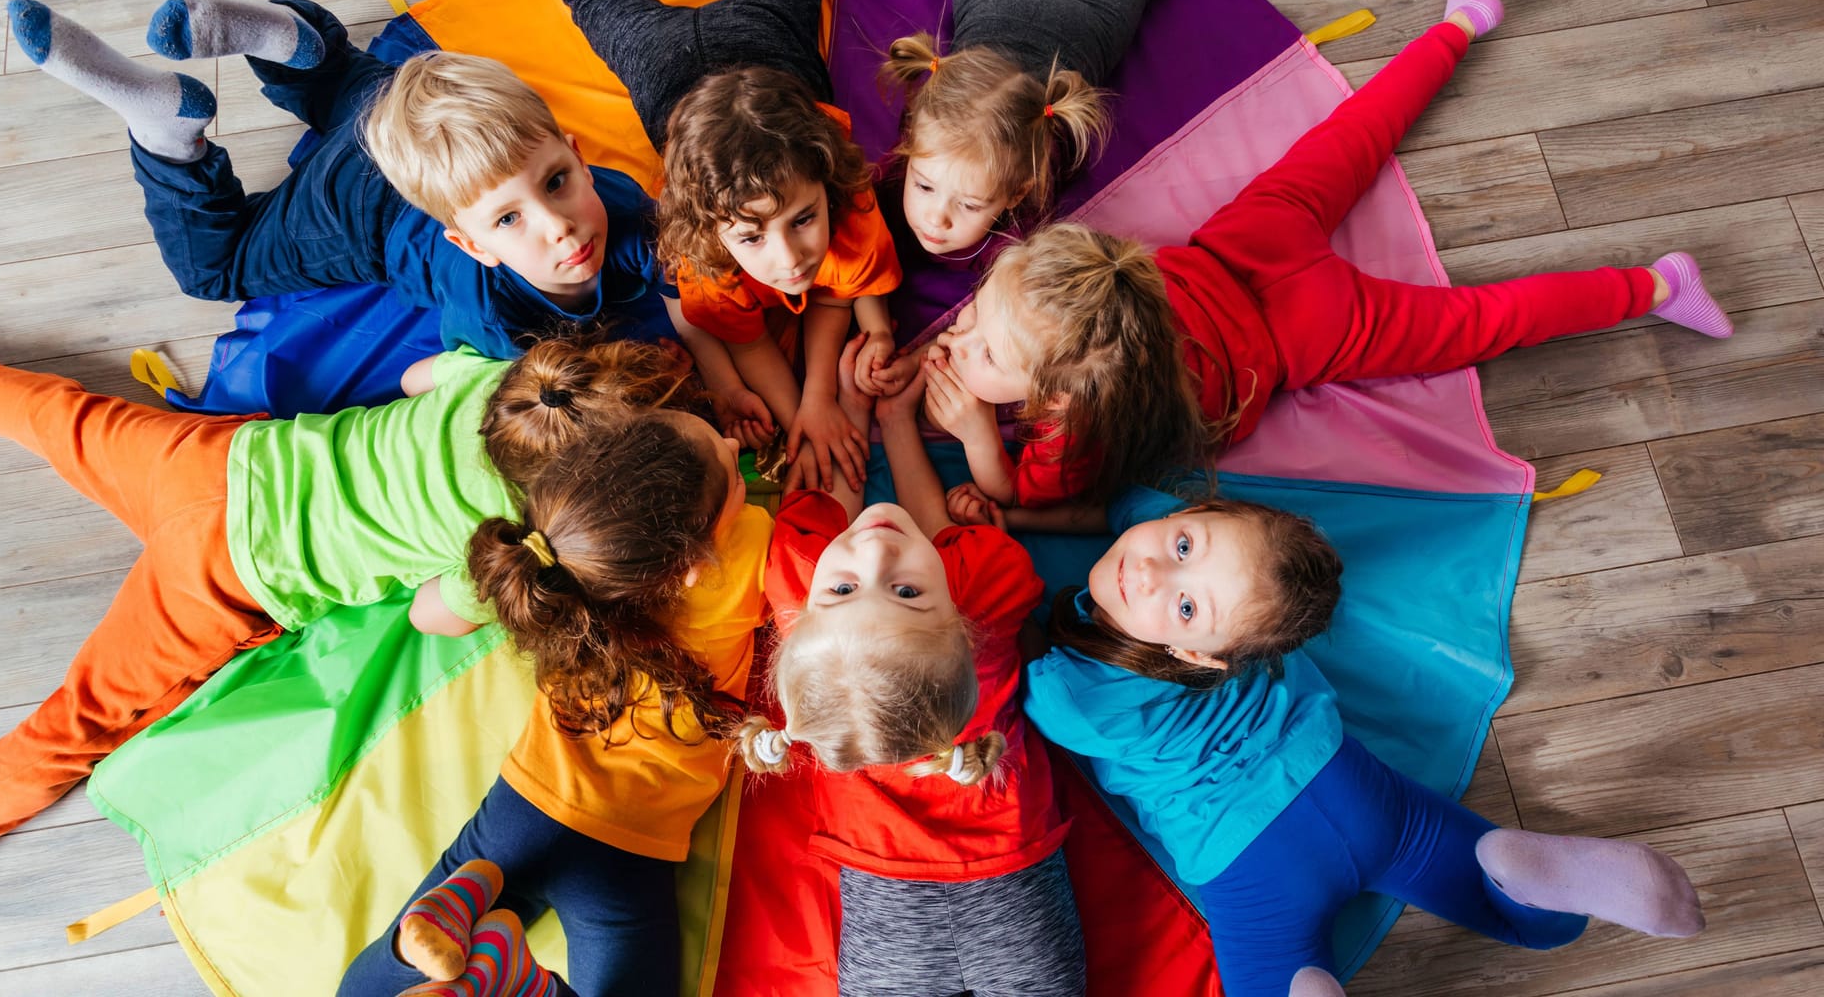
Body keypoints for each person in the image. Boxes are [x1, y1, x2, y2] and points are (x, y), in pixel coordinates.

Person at [0, 333, 706, 961]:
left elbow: (415, 378)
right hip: (224, 577)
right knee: (80, 719)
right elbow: (433, 618)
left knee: (61, 417)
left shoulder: (502, 386)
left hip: (222, 462)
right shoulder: (505, 540)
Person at [921, 0, 1735, 511]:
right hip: (1240, 249)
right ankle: (1462, 22)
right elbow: (1030, 315)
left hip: (1298, 330)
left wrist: (973, 436)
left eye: (981, 340)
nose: (961, 340)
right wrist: (985, 340)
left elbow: (1036, 501)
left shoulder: (1075, 422)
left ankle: (1659, 286)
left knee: (1478, 321)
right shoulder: (1081, 298)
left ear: (1064, 392)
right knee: (1351, 138)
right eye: (973, 327)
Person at [1021, 483, 1706, 996]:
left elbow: (987, 637)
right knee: (1506, 903)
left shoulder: (1067, 697)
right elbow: (1129, 517)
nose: (1146, 571)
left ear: (1202, 656)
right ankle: (1523, 878)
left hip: (1241, 854)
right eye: (1181, 545)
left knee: (1270, 974)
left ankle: (1302, 988)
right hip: (1346, 784)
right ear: (1191, 514)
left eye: (1187, 605)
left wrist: (1012, 523)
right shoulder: (1239, 606)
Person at [6, 0, 734, 369]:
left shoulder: (616, 202)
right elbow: (511, 384)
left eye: (557, 182)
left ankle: (288, 38)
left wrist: (725, 375)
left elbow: (677, 277)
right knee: (215, 268)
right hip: (363, 205)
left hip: (407, 110)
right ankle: (165, 131)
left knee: (360, 86)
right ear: (470, 245)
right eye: (508, 223)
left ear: (575, 156)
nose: (560, 226)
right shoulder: (494, 316)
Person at [339, 408, 768, 997]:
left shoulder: (561, 551)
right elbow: (829, 563)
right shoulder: (751, 549)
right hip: (628, 849)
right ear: (693, 568)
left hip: (524, 807)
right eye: (733, 468)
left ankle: (446, 922)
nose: (731, 437)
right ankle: (518, 983)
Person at [734, 337, 1081, 994]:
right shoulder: (985, 586)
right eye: (905, 591)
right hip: (1010, 873)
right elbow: (926, 534)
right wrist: (892, 421)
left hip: (890, 888)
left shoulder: (799, 583)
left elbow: (845, 509)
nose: (873, 554)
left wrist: (856, 413)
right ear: (958, 618)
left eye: (844, 590)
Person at [563, 0, 904, 492]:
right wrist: (803, 420)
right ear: (712, 232)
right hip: (666, 59)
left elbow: (836, 293)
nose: (792, 259)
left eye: (803, 220)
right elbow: (749, 339)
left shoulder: (837, 185)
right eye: (751, 236)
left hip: (760, 43)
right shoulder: (698, 250)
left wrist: (818, 400)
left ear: (826, 188)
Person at [880, 0, 1214, 259]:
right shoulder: (920, 138)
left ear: (1017, 193)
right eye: (923, 185)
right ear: (909, 146)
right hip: (996, 9)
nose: (936, 218)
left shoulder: (1030, 205)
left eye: (969, 204)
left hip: (1077, 33)